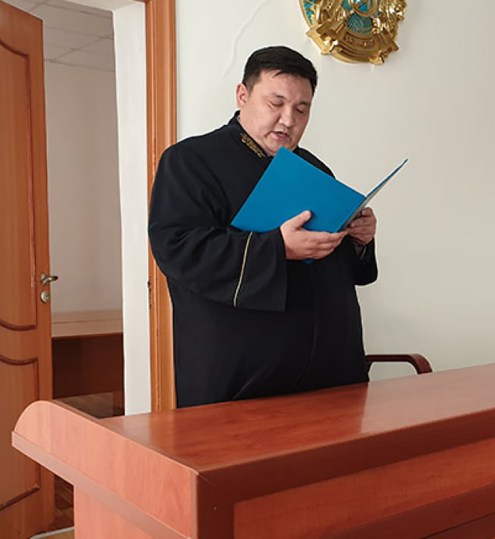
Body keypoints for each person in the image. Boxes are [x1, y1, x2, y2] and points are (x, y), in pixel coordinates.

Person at [148, 46, 378, 407]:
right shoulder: (190, 160)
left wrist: (359, 239)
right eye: (276, 103)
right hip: (244, 375)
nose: (289, 119)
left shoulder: (314, 167)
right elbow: (177, 248)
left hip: (332, 370)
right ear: (243, 95)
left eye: (301, 109)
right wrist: (277, 248)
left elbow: (337, 260)